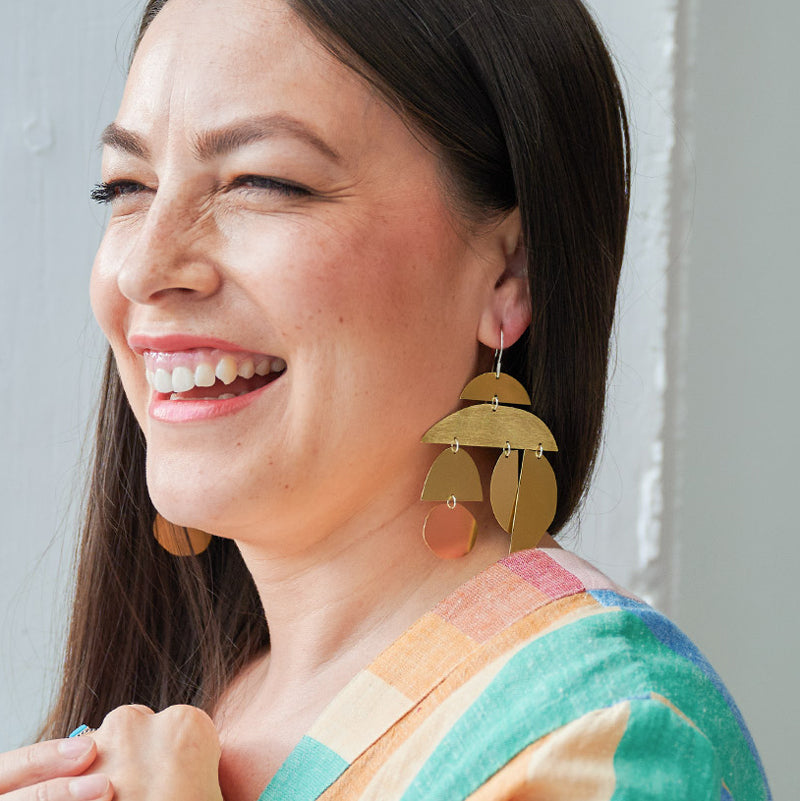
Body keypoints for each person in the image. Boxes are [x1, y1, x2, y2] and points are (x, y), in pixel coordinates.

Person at [0, 0, 771, 799]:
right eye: (125, 186)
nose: (144, 268)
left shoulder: (608, 737)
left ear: (512, 273)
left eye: (264, 181)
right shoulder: (155, 725)